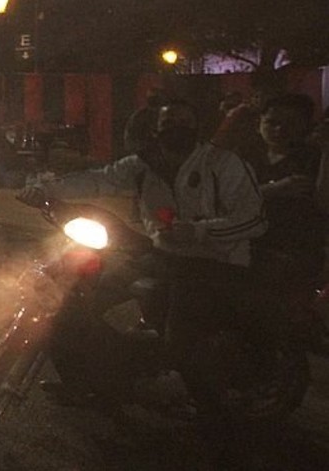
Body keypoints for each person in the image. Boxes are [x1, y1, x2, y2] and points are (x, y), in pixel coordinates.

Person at [18, 100, 267, 429]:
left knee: (179, 340)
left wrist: (201, 231)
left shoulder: (223, 164)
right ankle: (88, 383)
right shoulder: (142, 166)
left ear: (196, 127)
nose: (173, 128)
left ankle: (211, 416)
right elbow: (97, 180)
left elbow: (254, 220)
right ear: (155, 131)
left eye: (182, 121)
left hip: (216, 263)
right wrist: (45, 189)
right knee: (70, 299)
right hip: (164, 256)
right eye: (167, 123)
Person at [248, 93, 325, 291]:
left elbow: (322, 203)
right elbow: (224, 198)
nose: (279, 130)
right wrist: (275, 189)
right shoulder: (246, 156)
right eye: (272, 122)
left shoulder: (313, 158)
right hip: (247, 251)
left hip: (295, 256)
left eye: (290, 123)